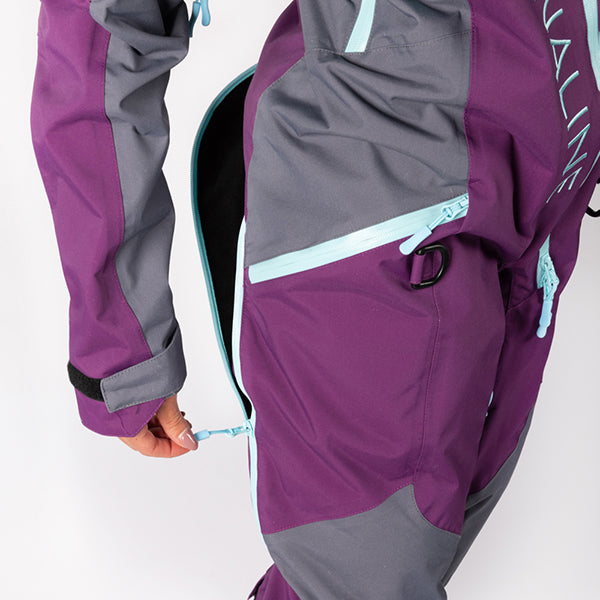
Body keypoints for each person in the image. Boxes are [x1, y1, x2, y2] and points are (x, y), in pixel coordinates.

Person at [31, 1, 600, 598]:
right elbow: (101, 27)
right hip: (380, 194)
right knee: (356, 579)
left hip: (540, 199)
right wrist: (120, 348)